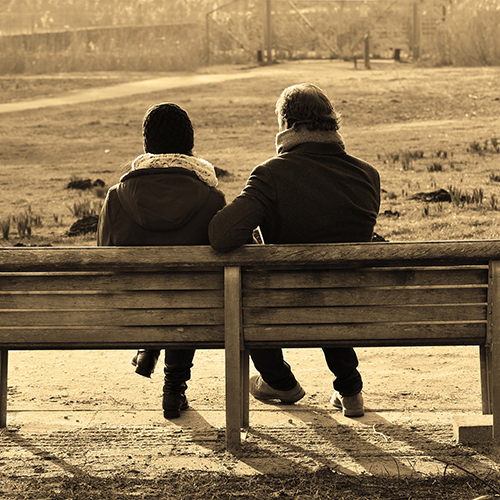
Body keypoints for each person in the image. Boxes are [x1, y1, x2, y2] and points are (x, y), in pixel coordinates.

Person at [208, 83, 380, 417]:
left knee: (246, 288)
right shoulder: (368, 175)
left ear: (288, 124)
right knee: (331, 279)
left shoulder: (271, 174)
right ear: (331, 123)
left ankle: (279, 381)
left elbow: (221, 234)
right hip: (352, 304)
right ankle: (350, 389)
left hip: (283, 305)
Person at [97, 102, 225, 418]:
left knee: (160, 291)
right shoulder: (212, 197)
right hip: (192, 309)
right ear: (189, 144)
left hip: (133, 309)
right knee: (186, 295)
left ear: (147, 144)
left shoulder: (116, 196)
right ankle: (174, 389)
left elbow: (102, 254)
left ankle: (149, 346)